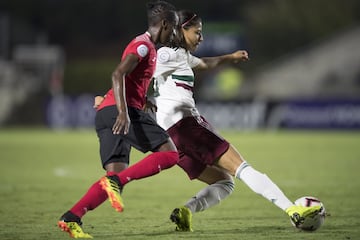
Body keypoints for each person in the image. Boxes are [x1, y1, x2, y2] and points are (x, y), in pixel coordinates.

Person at [150, 10, 322, 231]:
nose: (201, 38)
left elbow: (204, 63)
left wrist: (230, 57)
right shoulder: (167, 54)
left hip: (170, 138)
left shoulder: (180, 56)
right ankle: (293, 210)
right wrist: (114, 97)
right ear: (180, 29)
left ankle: (186, 211)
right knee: (242, 168)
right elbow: (138, 71)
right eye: (197, 32)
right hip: (186, 126)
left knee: (224, 182)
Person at [57, 1, 179, 238]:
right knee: (170, 154)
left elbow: (131, 80)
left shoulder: (146, 46)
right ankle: (117, 182)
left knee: (112, 177)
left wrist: (142, 98)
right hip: (121, 113)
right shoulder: (143, 45)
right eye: (173, 27)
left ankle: (71, 218)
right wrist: (124, 112)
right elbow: (118, 73)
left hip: (106, 112)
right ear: (164, 23)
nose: (173, 33)